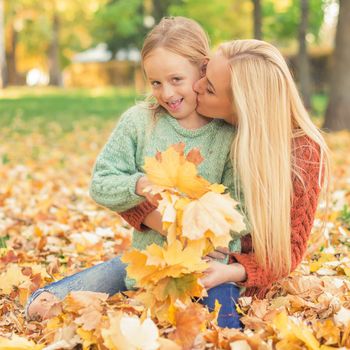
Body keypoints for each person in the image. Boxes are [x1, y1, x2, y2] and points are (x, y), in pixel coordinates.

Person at [26, 17, 246, 329]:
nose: (166, 93)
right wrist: (138, 183)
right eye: (155, 83)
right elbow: (101, 182)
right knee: (41, 305)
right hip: (145, 263)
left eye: (176, 79)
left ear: (202, 70)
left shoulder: (226, 133)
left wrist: (191, 228)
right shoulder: (139, 122)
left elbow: (242, 211)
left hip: (207, 268)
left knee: (223, 329)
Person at [122, 38, 330, 300]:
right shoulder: (194, 121)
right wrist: (170, 228)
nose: (195, 86)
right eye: (204, 72)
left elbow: (287, 253)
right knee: (66, 293)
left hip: (230, 278)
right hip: (165, 255)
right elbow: (124, 186)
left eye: (209, 88)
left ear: (242, 107)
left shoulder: (304, 153)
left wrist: (230, 272)